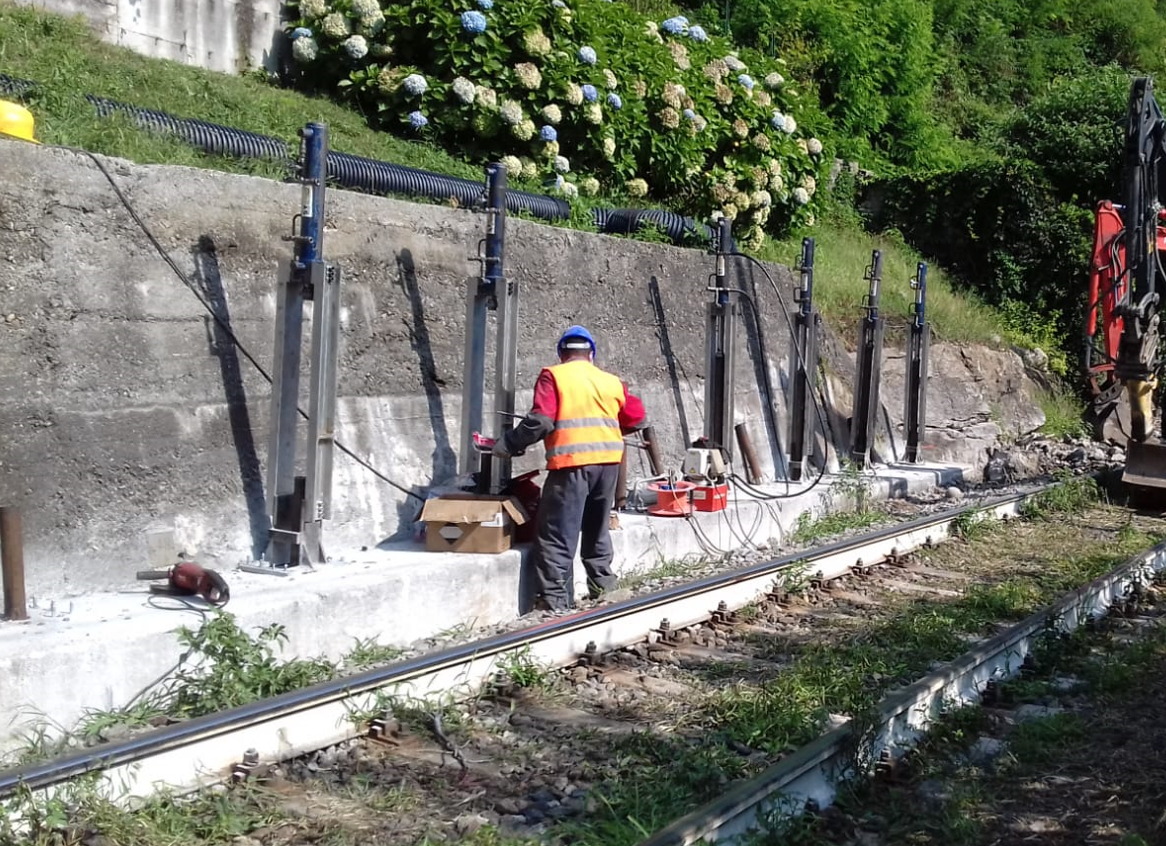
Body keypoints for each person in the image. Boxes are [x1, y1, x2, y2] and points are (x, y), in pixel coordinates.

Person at [493, 325, 646, 612]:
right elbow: (636, 417)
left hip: (571, 465)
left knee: (556, 533)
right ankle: (604, 586)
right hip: (608, 465)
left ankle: (555, 601)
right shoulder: (610, 381)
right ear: (591, 354)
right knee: (596, 529)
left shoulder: (554, 376)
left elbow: (541, 422)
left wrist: (509, 444)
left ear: (562, 353)